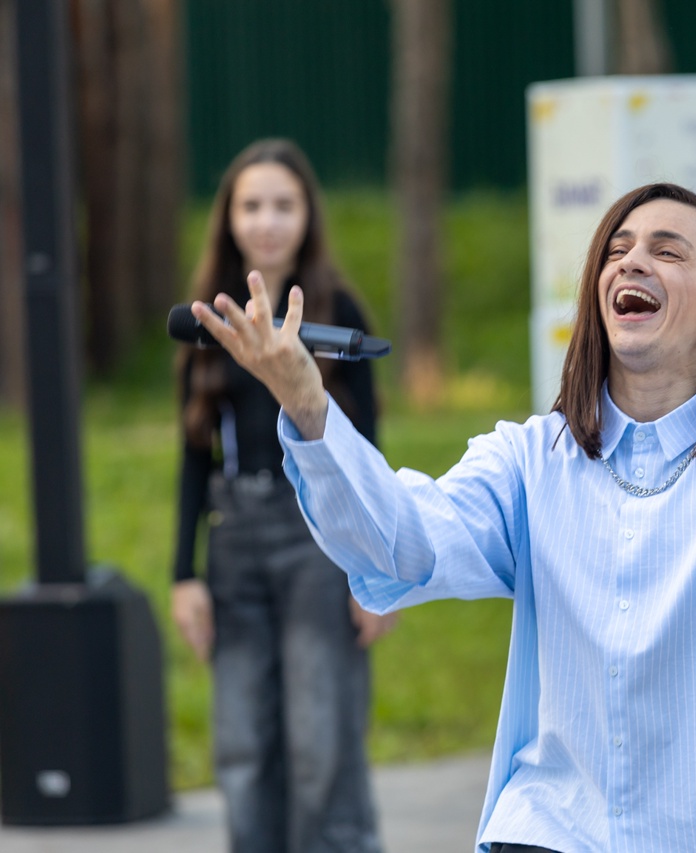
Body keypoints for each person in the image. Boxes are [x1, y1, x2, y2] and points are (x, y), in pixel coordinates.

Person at [189, 181, 696, 853]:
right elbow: (403, 544)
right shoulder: (529, 460)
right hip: (553, 829)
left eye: (667, 251)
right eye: (617, 250)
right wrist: (308, 405)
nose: (632, 262)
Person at [170, 138, 394, 853]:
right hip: (235, 539)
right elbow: (192, 453)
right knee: (242, 741)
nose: (267, 221)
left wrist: (376, 571)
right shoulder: (208, 319)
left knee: (322, 737)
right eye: (252, 205)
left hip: (320, 540)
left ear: (308, 217)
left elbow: (369, 452)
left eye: (284, 205)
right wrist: (184, 574)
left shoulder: (339, 313)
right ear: (229, 219)